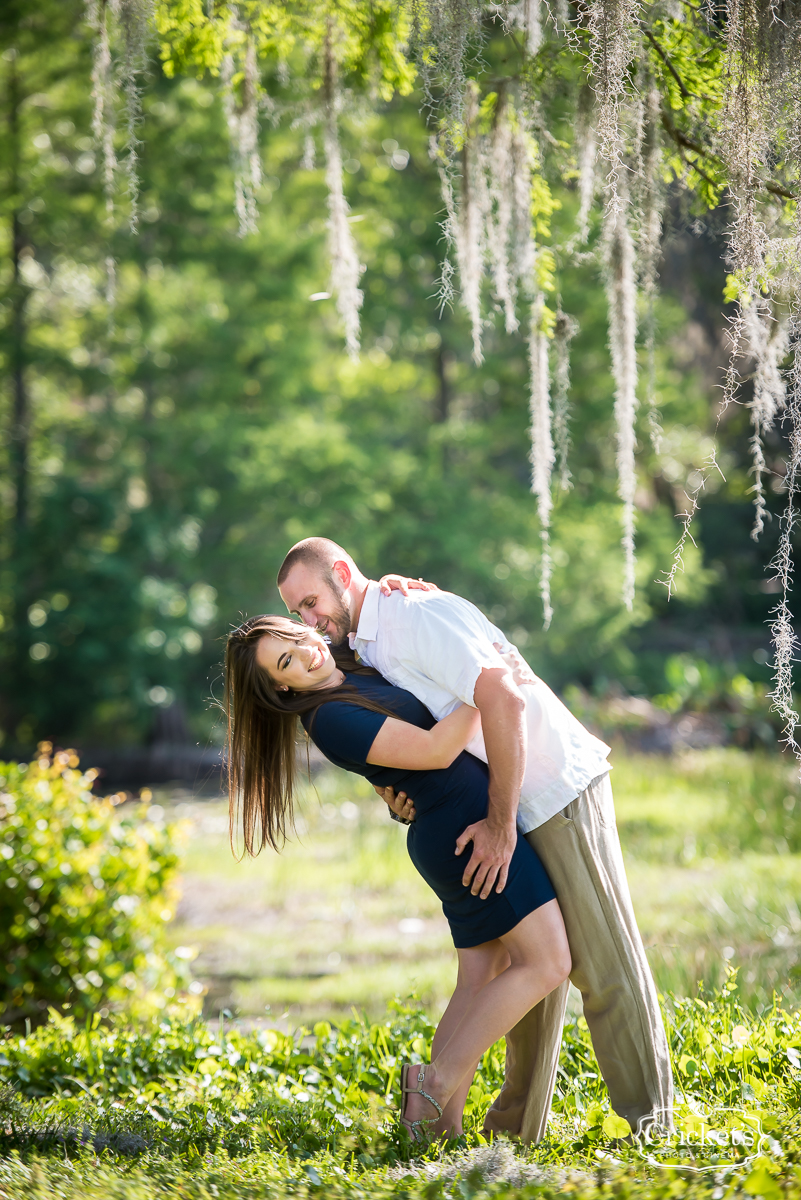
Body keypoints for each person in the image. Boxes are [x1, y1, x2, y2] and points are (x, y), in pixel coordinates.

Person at [277, 537, 674, 1141]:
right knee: (531, 977)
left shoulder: (413, 616)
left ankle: (654, 1126)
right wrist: (395, 789)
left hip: (550, 788)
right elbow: (392, 730)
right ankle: (515, 1133)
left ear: (339, 572)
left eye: (310, 602)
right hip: (504, 803)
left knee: (604, 965)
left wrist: (497, 822)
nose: (309, 621)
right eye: (297, 614)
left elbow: (502, 697)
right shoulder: (362, 644)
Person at [224, 614, 571, 1139]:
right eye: (288, 660)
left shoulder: (349, 670)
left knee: (478, 978)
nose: (307, 651)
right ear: (280, 684)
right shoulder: (329, 717)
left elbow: (376, 621)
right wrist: (485, 687)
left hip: (453, 823)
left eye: (297, 638)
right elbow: (435, 750)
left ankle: (435, 1129)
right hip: (463, 833)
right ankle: (431, 1085)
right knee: (548, 962)